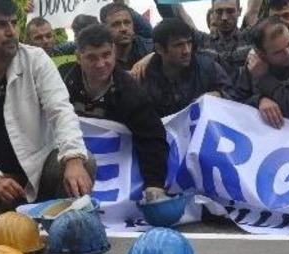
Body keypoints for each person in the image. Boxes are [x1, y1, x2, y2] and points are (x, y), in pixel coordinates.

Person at [0, 0, 94, 236]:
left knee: (84, 162)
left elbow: (61, 111)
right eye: (0, 25)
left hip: (40, 166)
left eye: (13, 23)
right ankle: (22, 222)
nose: (11, 31)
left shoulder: (36, 59)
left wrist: (73, 159)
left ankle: (46, 217)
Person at [63, 24, 167, 196]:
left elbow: (152, 138)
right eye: (92, 58)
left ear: (114, 52)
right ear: (78, 57)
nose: (101, 64)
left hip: (119, 172)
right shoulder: (62, 82)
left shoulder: (131, 92)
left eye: (106, 55)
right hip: (72, 162)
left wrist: (154, 183)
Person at [141, 19, 233, 117]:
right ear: (160, 49)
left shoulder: (208, 68)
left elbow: (234, 96)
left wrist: (219, 95)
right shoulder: (144, 77)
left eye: (189, 43)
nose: (187, 50)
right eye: (178, 45)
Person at [100, 3, 153, 71]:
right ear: (104, 29)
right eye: (116, 24)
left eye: (127, 22)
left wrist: (152, 57)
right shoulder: (100, 56)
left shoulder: (148, 47)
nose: (123, 29)